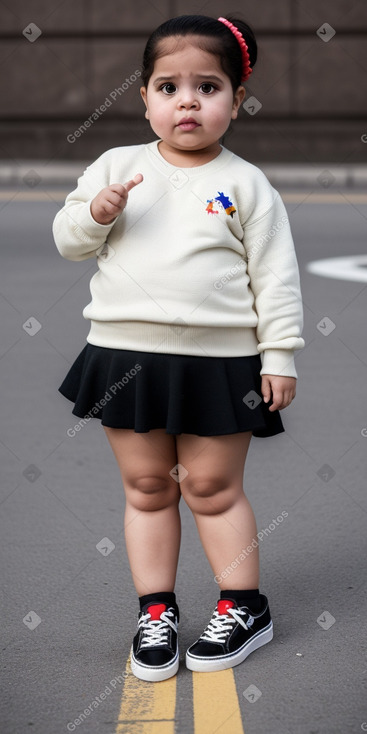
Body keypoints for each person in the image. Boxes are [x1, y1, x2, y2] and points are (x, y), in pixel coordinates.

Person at [53, 14, 305, 683]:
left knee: (211, 488)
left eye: (208, 86)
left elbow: (274, 277)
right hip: (123, 357)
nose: (187, 100)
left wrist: (277, 354)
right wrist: (96, 212)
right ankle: (155, 611)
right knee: (145, 488)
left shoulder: (248, 184)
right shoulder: (115, 167)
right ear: (143, 96)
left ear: (236, 98)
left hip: (222, 365)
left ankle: (242, 606)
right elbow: (69, 240)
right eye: (168, 86)